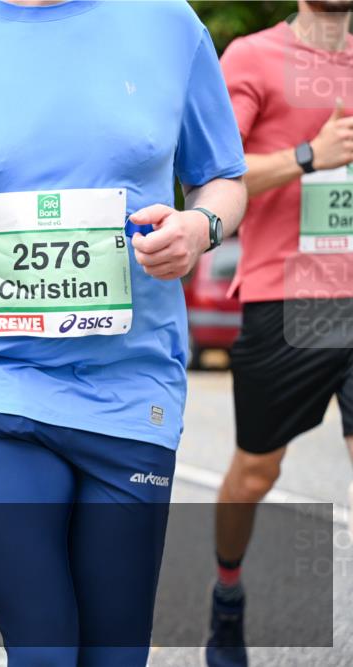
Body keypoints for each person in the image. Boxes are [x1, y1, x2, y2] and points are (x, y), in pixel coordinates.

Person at [0, 1, 249, 664]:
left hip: (132, 379)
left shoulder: (169, 24)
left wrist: (201, 227)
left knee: (115, 653)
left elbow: (221, 179)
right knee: (42, 648)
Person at [207, 4, 353, 666]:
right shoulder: (250, 57)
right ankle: (227, 594)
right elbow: (215, 177)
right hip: (287, 295)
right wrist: (308, 155)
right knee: (256, 469)